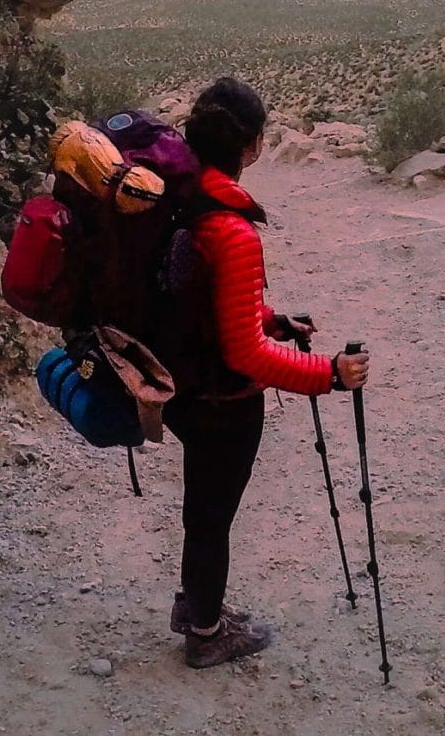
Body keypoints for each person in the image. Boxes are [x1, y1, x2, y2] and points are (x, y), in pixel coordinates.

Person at [153, 76, 370, 669]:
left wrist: (270, 318)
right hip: (221, 401)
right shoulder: (233, 228)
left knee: (202, 509)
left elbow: (207, 304)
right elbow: (245, 355)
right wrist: (329, 374)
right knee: (211, 518)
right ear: (251, 147)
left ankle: (194, 605)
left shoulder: (181, 197)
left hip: (178, 384)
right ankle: (205, 632)